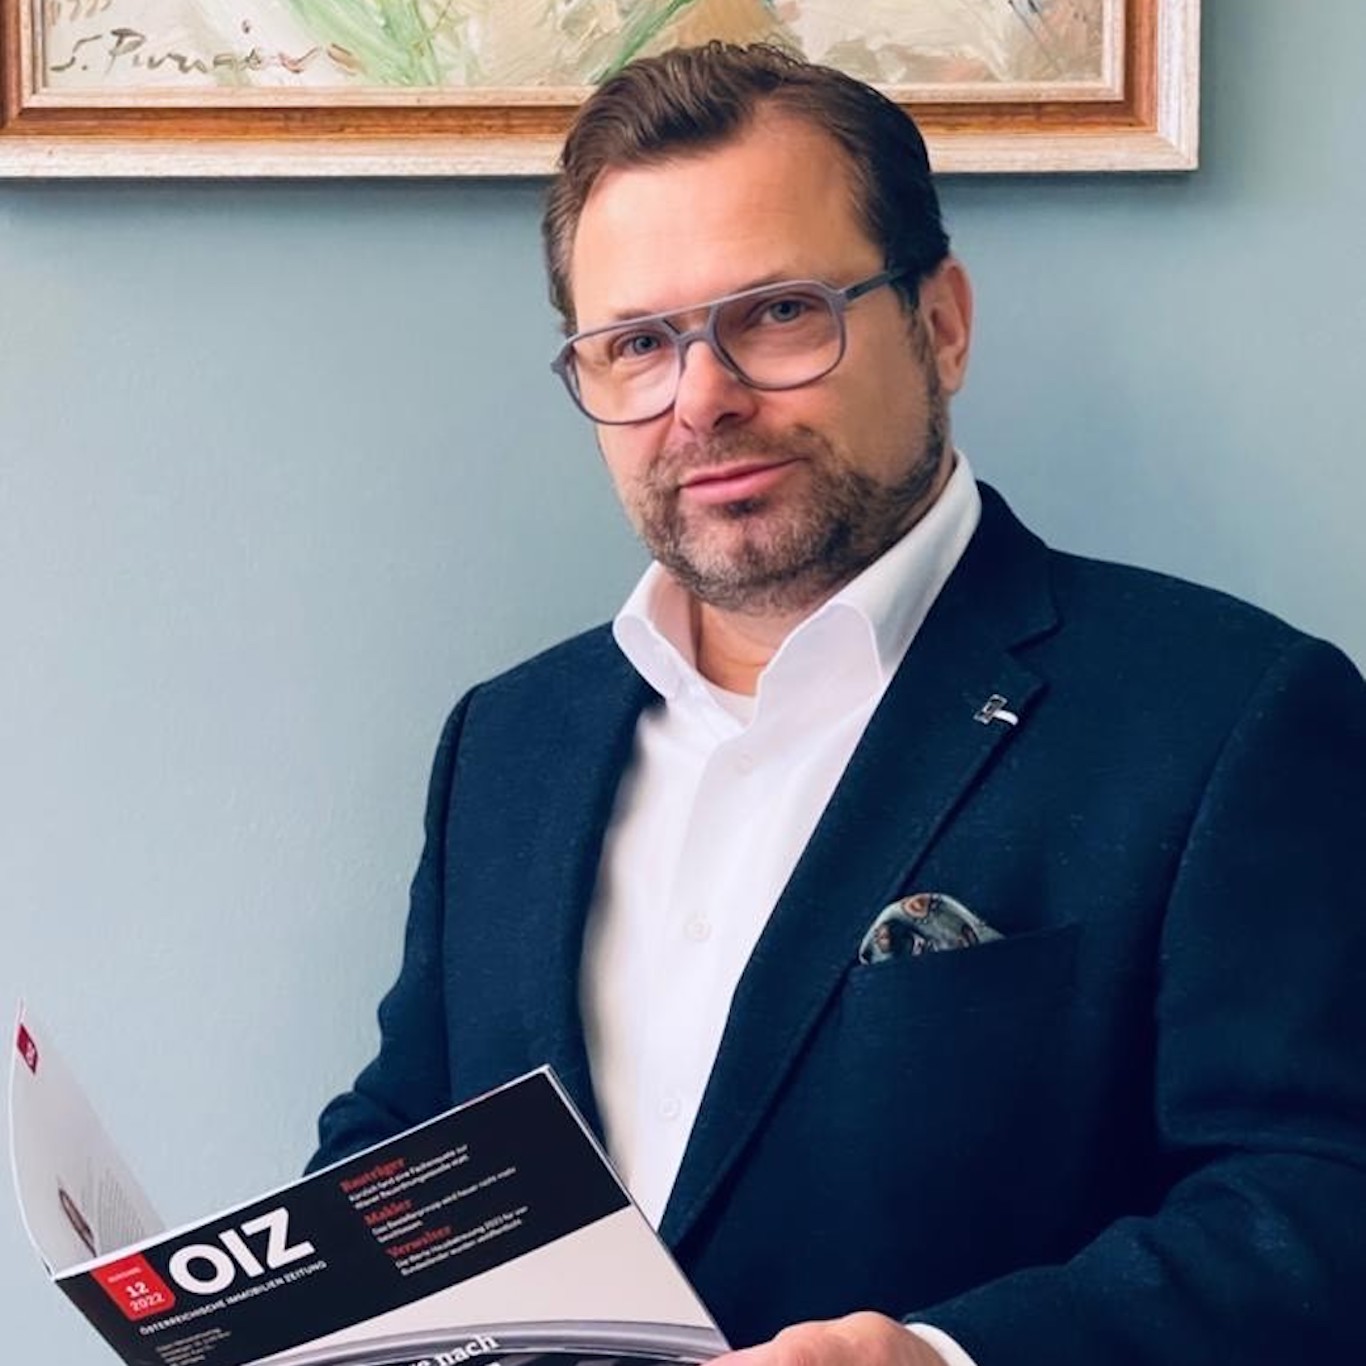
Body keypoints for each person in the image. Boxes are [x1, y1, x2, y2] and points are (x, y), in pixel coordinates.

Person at [309, 42, 1366, 1366]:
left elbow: (1319, 1206)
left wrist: (942, 1356)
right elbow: (412, 1141)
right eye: (635, 344)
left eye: (776, 313)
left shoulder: (1230, 714)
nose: (702, 398)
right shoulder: (509, 739)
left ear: (941, 323)